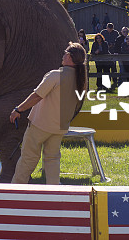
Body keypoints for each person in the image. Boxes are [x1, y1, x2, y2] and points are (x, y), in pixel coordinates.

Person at [10, 42, 87, 185]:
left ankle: (17, 189)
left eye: (65, 53)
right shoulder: (81, 80)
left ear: (69, 56)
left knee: (28, 158)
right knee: (52, 159)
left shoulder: (55, 75)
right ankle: (54, 192)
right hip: (60, 127)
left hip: (40, 124)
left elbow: (37, 96)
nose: (63, 55)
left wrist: (18, 109)